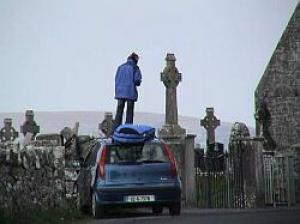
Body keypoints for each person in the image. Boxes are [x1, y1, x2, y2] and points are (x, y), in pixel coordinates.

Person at [113, 52, 142, 131]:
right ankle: (127, 130)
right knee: (129, 113)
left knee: (119, 112)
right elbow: (137, 81)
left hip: (120, 92)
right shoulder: (135, 68)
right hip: (130, 92)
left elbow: (116, 79)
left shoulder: (120, 67)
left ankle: (115, 130)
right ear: (135, 60)